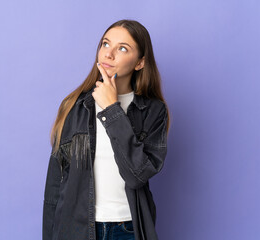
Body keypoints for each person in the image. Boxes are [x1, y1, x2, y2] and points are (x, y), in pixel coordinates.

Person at [43, 19, 171, 240]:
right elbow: (55, 183)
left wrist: (112, 110)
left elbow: (137, 175)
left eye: (122, 48)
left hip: (128, 229)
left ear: (140, 63)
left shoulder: (152, 111)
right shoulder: (74, 106)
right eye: (105, 44)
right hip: (75, 229)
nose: (108, 54)